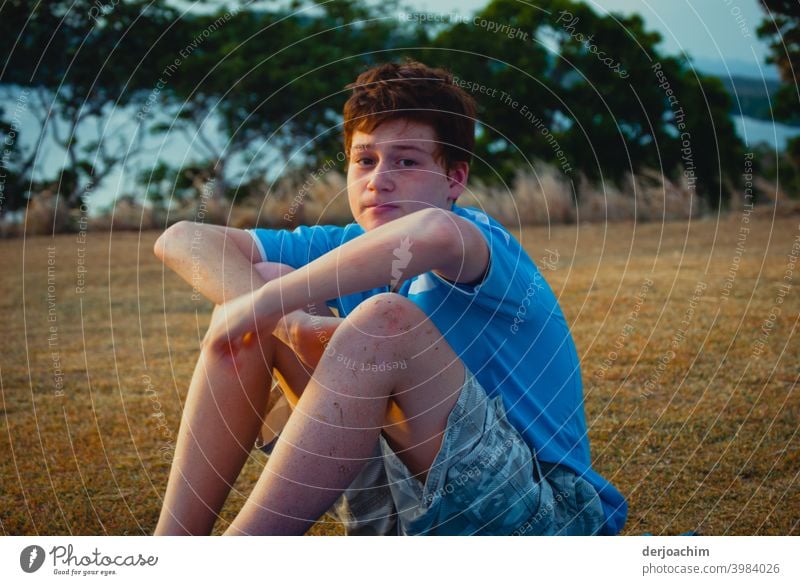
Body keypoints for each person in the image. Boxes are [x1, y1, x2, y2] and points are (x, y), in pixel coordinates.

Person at [152, 59, 627, 536]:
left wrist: (270, 304)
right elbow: (182, 237)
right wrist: (287, 320)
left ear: (455, 179)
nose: (379, 178)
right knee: (261, 278)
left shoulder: (475, 240)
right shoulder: (346, 244)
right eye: (365, 160)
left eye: (406, 160)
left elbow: (434, 231)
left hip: (544, 515)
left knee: (383, 321)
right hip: (406, 508)